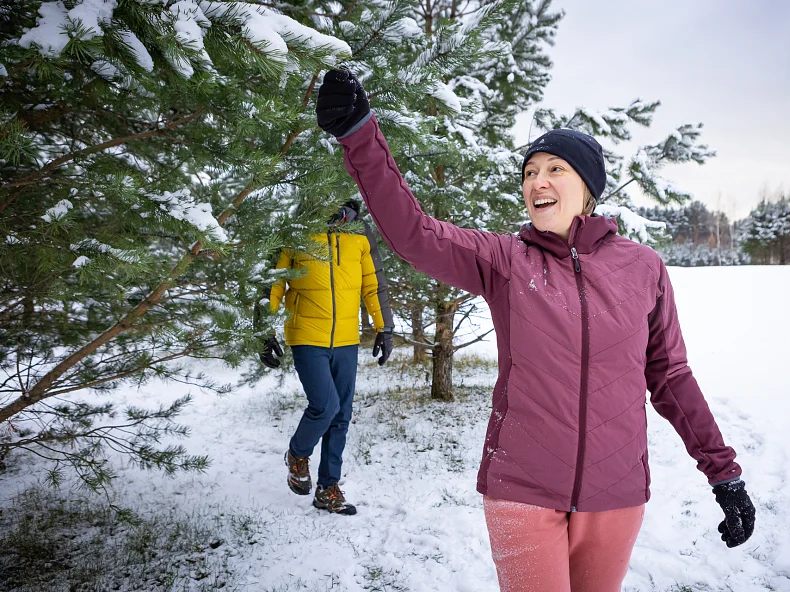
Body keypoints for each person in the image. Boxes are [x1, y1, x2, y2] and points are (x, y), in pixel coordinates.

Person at [315, 70, 755, 589]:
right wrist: (360, 133)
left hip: (616, 494)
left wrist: (723, 472)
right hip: (522, 488)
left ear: (588, 188)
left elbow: (671, 377)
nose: (537, 181)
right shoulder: (506, 260)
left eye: (555, 169)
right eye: (529, 172)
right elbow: (415, 233)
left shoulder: (643, 268)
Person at [259, 198, 394, 515]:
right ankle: (297, 454)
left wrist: (384, 327)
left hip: (346, 339)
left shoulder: (360, 232)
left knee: (341, 415)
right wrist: (263, 331)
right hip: (306, 335)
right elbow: (271, 284)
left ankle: (327, 488)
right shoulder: (295, 229)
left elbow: (373, 284)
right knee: (326, 405)